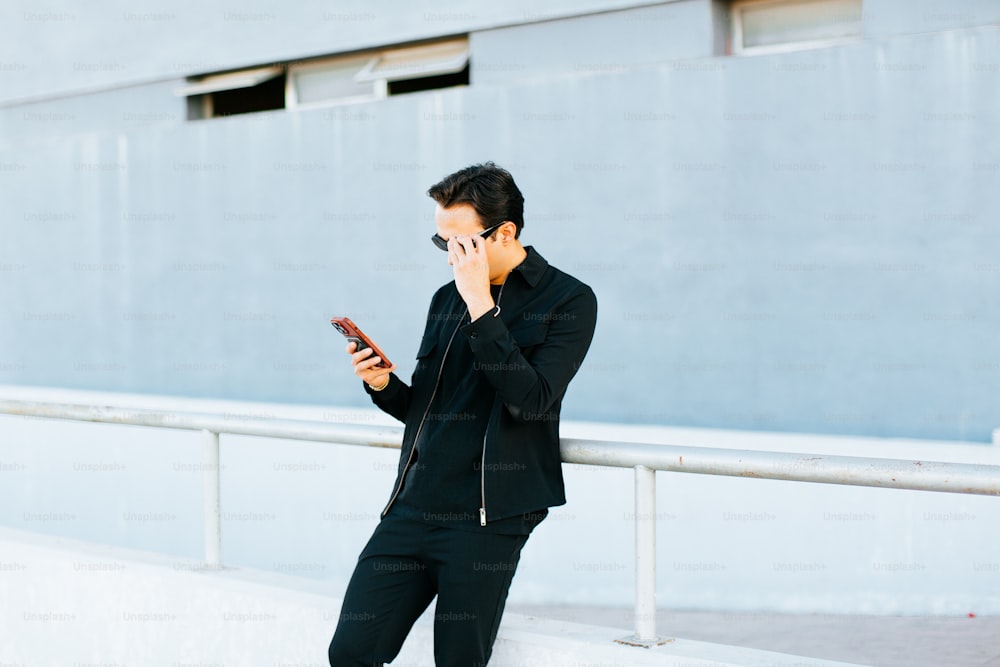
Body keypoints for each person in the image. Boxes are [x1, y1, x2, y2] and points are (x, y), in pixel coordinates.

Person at [327, 162, 598, 666]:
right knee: (350, 652)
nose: (451, 256)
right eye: (442, 243)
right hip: (411, 507)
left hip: (487, 519)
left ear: (506, 232)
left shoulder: (569, 300)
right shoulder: (444, 299)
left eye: (462, 243)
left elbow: (532, 400)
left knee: (457, 662)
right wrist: (382, 384)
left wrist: (480, 302)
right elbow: (427, 409)